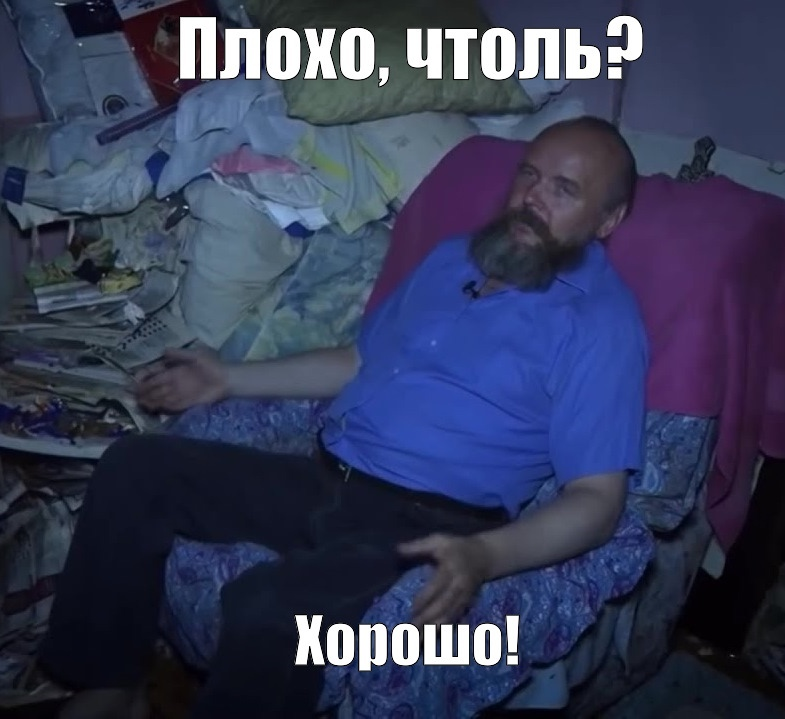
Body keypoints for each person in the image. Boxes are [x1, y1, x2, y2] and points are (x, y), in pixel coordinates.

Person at [39, 116, 648, 719]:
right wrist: (227, 377)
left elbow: (597, 500)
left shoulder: (601, 326)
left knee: (271, 612)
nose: (532, 198)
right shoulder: (455, 259)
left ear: (608, 220)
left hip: (424, 522)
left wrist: (488, 555)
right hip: (328, 476)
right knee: (138, 466)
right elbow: (359, 361)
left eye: (564, 190)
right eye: (529, 175)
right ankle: (110, 685)